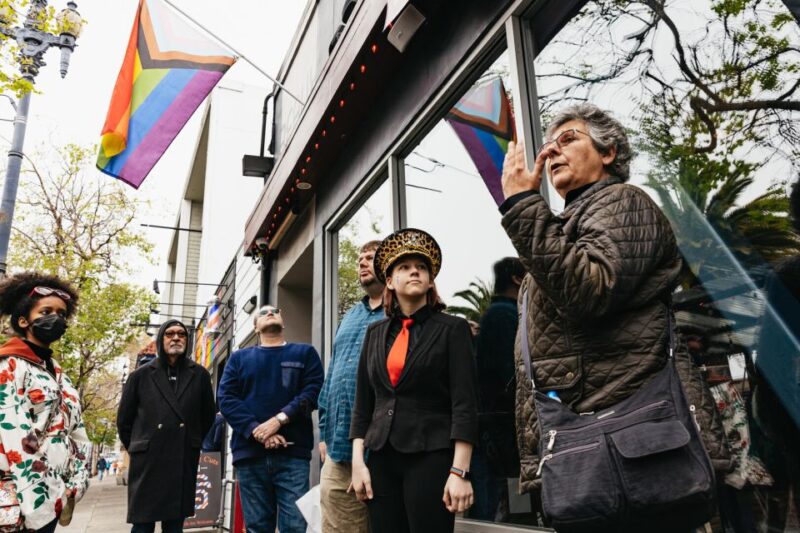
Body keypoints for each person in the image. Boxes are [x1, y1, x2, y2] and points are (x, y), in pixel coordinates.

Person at [499, 104, 730, 510]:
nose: (551, 152)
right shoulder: (567, 223)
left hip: (631, 446)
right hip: (594, 445)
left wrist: (521, 205)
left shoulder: (623, 202)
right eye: (548, 146)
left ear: (608, 153)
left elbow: (589, 289)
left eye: (568, 139)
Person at [350, 228, 480, 533]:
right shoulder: (374, 333)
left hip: (431, 456)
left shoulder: (453, 330)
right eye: (405, 268)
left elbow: (465, 404)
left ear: (431, 280)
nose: (414, 272)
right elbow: (363, 404)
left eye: (421, 268)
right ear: (391, 282)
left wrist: (459, 471)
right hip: (381, 458)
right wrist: (359, 461)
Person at [218, 305, 324, 533]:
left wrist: (279, 420)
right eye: (262, 313)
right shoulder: (238, 359)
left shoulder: (304, 353)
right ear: (256, 327)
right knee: (257, 527)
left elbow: (313, 391)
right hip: (249, 455)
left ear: (282, 322)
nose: (270, 313)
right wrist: (257, 430)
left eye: (275, 310)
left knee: (295, 526)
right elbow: (226, 399)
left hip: (293, 455)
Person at [0, 272, 91, 532]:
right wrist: (37, 503)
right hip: (17, 498)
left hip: (54, 497)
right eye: (46, 311)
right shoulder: (9, 366)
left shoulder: (59, 374)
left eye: (61, 313)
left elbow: (77, 431)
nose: (56, 318)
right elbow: (14, 436)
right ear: (23, 320)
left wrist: (75, 483)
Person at [117, 319, 216, 533]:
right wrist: (140, 445)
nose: (176, 338)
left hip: (182, 457)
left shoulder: (199, 375)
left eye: (181, 334)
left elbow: (207, 416)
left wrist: (191, 441)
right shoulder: (139, 376)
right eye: (170, 334)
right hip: (148, 460)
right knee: (142, 524)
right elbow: (124, 421)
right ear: (161, 339)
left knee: (174, 525)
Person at [318, 240, 385, 533]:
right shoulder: (349, 316)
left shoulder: (400, 313)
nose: (361, 262)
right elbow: (331, 377)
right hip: (338, 450)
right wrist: (324, 433)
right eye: (359, 258)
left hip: (382, 449)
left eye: (370, 257)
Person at [468, 257, 524, 522]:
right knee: (514, 502)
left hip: (500, 428)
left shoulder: (502, 314)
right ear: (516, 278)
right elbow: (511, 374)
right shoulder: (505, 315)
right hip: (504, 430)